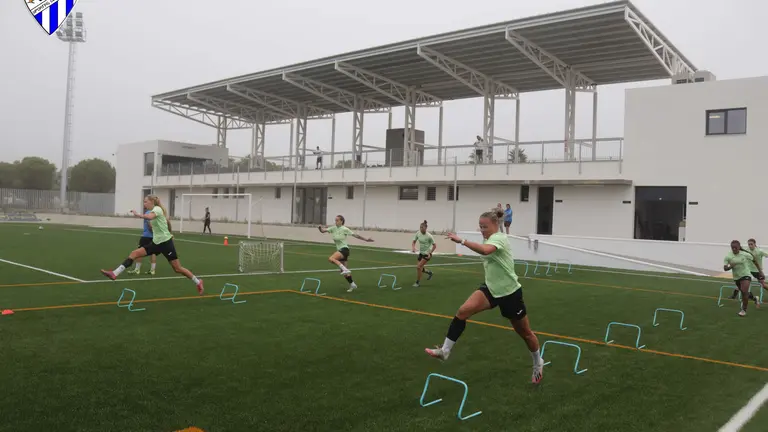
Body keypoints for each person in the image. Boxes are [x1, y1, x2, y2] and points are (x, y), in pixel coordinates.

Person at [425, 207, 543, 384]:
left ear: (495, 224)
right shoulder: (488, 238)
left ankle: (538, 362)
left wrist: (462, 241)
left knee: (525, 333)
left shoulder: (500, 238)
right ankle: (445, 351)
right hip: (490, 289)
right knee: (463, 311)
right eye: (480, 226)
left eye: (485, 227)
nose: (482, 230)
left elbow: (486, 250)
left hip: (509, 292)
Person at [100, 195, 204, 295]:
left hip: (166, 243)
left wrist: (138, 215)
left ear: (152, 202)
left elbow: (150, 217)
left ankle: (198, 282)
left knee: (177, 269)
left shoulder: (157, 209)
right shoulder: (151, 212)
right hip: (156, 243)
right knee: (134, 253)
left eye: (146, 201)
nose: (144, 203)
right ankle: (115, 273)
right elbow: (155, 223)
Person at [318, 215, 374, 292]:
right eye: (335, 220)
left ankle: (345, 269)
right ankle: (352, 284)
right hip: (341, 250)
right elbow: (323, 231)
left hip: (344, 250)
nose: (335, 222)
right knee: (344, 272)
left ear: (341, 221)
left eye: (337, 220)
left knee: (331, 259)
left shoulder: (344, 229)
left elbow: (355, 235)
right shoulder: (333, 228)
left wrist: (366, 240)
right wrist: (320, 228)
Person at [724, 240, 763, 316]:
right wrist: (730, 267)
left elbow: (754, 260)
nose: (734, 249)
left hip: (746, 275)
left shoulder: (745, 254)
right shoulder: (728, 256)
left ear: (739, 247)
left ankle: (743, 310)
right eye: (732, 248)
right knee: (743, 292)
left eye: (735, 248)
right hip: (736, 277)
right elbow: (725, 268)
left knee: (744, 291)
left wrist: (760, 272)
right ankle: (755, 298)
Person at [126, 209, 157, 275]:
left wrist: (152, 230)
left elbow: (149, 224)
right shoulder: (155, 212)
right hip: (154, 237)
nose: (145, 204)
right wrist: (135, 212)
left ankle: (137, 269)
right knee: (153, 252)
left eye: (146, 203)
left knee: (139, 252)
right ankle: (152, 270)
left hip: (146, 236)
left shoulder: (149, 212)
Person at [411, 220, 436, 287]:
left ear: (426, 228)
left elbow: (434, 245)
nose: (421, 229)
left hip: (427, 254)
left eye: (422, 227)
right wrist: (413, 247)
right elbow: (413, 241)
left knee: (418, 267)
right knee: (420, 268)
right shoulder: (418, 233)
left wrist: (430, 253)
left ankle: (417, 283)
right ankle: (429, 273)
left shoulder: (429, 236)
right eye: (420, 227)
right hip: (421, 253)